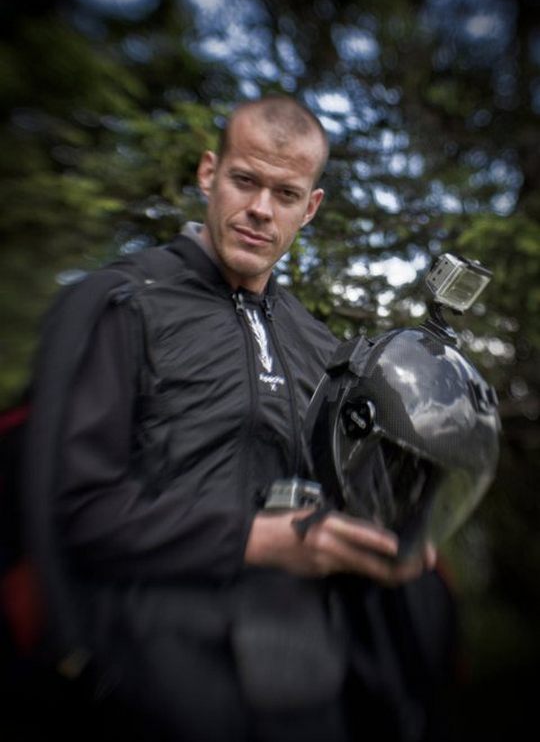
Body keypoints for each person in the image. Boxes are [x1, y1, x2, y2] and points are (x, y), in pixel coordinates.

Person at [24, 96, 456, 742]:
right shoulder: (124, 304)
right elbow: (79, 511)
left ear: (310, 207)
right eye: (245, 180)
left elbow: (345, 498)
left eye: (286, 194)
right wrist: (258, 540)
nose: (260, 209)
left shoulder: (320, 347)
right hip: (150, 680)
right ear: (209, 173)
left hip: (307, 686)